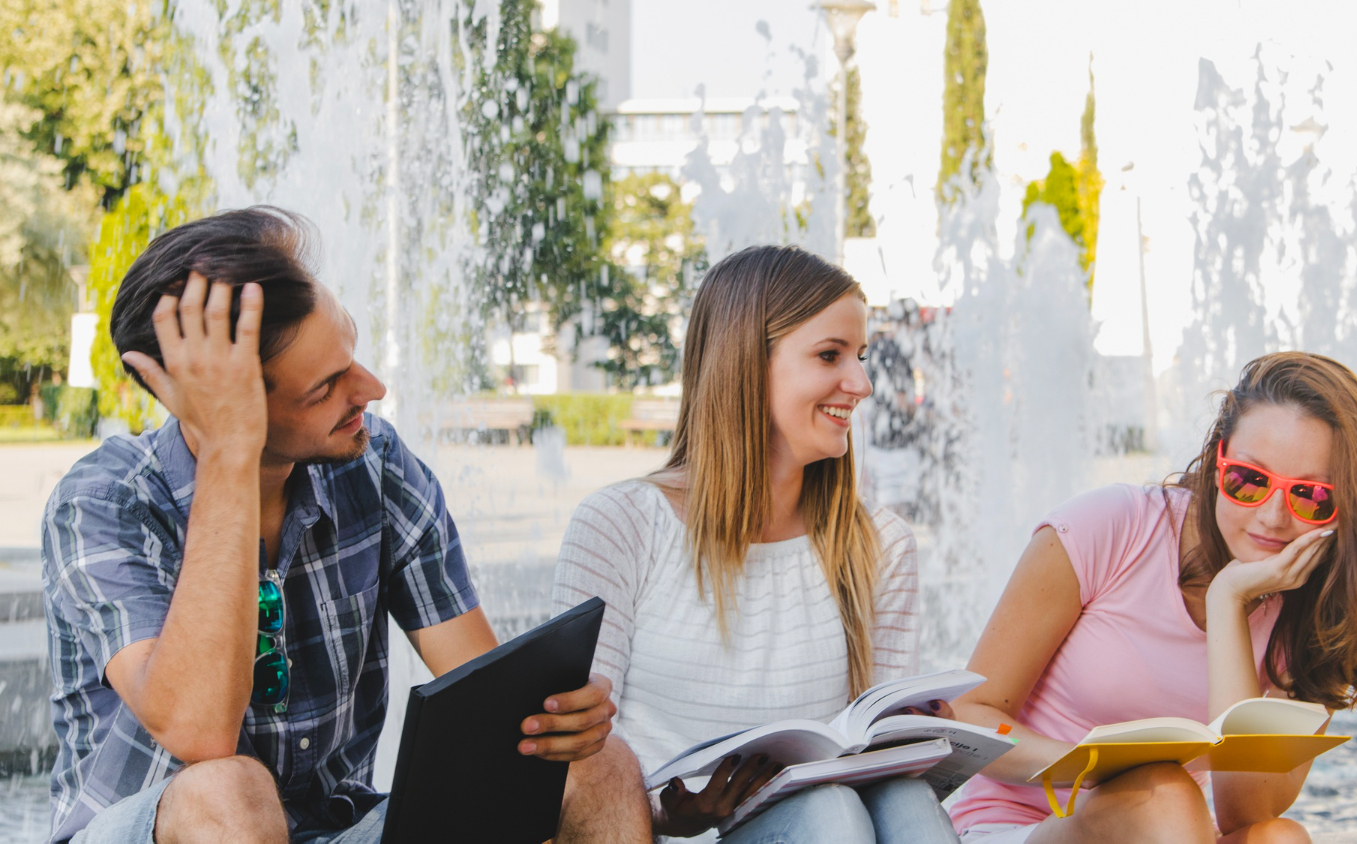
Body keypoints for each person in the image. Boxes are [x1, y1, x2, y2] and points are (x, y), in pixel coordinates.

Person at [41, 207, 651, 844]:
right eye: (327, 387)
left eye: (351, 356)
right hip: (167, 828)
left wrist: (556, 722)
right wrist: (229, 454)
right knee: (227, 791)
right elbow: (200, 732)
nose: (373, 388)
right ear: (220, 407)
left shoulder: (376, 465)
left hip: (338, 829)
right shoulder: (104, 502)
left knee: (593, 767)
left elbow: (484, 703)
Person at [550, 245, 961, 843]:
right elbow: (577, 768)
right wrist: (672, 815)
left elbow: (876, 751)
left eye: (862, 357)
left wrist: (915, 740)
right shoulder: (621, 524)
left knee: (900, 800)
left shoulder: (881, 544)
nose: (863, 384)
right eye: (830, 355)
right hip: (665, 835)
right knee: (830, 816)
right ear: (746, 363)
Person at [948, 352, 1357, 843]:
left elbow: (1245, 813)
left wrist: (1229, 600)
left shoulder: (1318, 607)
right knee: (1164, 792)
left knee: (1279, 837)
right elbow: (967, 715)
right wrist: (1095, 771)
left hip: (1174, 835)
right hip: (1021, 827)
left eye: (1311, 495)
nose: (1273, 517)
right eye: (1250, 480)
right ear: (1219, 463)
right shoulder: (1112, 527)